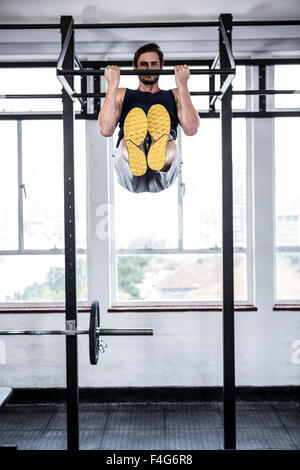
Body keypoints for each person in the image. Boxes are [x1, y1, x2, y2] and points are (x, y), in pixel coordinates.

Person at [98, 43, 200, 193]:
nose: (149, 68)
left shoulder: (175, 94)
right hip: (129, 170)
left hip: (165, 169)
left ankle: (157, 153)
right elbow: (106, 129)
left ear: (161, 67)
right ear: (135, 67)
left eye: (154, 64)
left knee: (169, 145)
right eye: (143, 64)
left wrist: (183, 85)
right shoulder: (121, 94)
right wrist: (112, 85)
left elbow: (191, 129)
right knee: (126, 145)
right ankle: (136, 149)